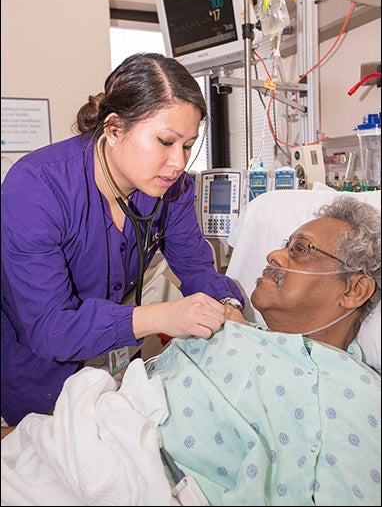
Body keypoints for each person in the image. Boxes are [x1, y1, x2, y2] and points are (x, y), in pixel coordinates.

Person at [1, 196, 380, 507]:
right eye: (284, 244)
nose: (273, 255)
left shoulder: (352, 392)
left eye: (300, 250)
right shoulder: (231, 329)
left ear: (354, 290)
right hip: (66, 445)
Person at [1, 52, 244, 427]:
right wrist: (162, 315)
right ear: (114, 129)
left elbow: (195, 266)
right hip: (36, 375)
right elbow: (50, 328)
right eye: (166, 141)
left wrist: (226, 303)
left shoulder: (171, 189)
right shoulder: (36, 187)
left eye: (188, 145)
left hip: (110, 370)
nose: (179, 162)